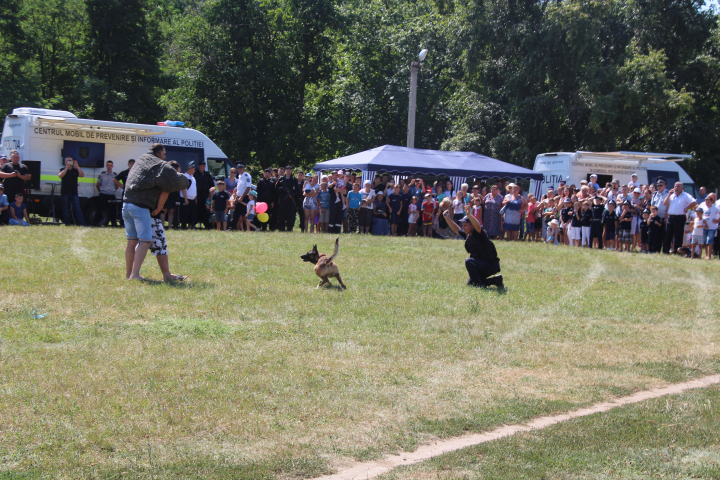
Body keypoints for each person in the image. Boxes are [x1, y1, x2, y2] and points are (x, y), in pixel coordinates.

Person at [123, 144, 190, 281]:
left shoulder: (141, 159)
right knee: (146, 241)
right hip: (141, 207)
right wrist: (159, 209)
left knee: (131, 241)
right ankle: (135, 275)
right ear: (159, 153)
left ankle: (129, 274)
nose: (165, 157)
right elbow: (171, 185)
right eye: (164, 154)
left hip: (126, 204)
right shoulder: (160, 166)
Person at [444, 205, 504, 289]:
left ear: (472, 226)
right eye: (463, 225)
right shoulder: (468, 234)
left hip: (490, 265)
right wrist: (447, 218)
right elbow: (456, 229)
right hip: (480, 265)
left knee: (469, 261)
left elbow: (478, 226)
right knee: (470, 285)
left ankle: (478, 285)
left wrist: (469, 215)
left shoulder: (479, 234)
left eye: (465, 225)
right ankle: (496, 280)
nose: (463, 227)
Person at [663, 182, 697, 254]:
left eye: (678, 187)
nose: (676, 188)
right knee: (668, 234)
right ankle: (665, 251)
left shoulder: (685, 195)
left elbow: (694, 202)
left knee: (678, 235)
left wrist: (687, 208)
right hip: (671, 217)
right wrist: (669, 194)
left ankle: (676, 251)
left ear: (682, 188)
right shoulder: (672, 195)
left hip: (680, 217)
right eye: (675, 186)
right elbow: (665, 203)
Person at [58, 156, 87, 227]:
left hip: (74, 193)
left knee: (78, 210)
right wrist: (66, 168)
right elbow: (60, 176)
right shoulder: (62, 169)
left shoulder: (75, 170)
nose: (69, 162)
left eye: (71, 160)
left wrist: (77, 166)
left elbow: (82, 175)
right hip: (65, 193)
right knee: (66, 210)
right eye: (68, 161)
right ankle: (67, 224)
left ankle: (82, 224)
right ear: (65, 162)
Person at [95, 160, 118, 226]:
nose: (109, 167)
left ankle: (114, 224)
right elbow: (98, 185)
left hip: (111, 194)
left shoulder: (115, 175)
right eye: (108, 165)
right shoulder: (102, 174)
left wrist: (112, 190)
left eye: (110, 165)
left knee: (113, 210)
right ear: (106, 166)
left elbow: (116, 186)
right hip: (103, 194)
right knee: (99, 209)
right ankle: (95, 223)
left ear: (112, 166)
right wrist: (102, 191)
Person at [193, 161, 214, 228]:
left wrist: (213, 192)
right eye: (201, 166)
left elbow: (212, 185)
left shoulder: (207, 175)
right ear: (198, 166)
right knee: (197, 210)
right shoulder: (195, 174)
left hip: (206, 195)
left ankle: (207, 225)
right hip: (198, 195)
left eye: (203, 166)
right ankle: (193, 224)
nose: (202, 167)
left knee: (205, 211)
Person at [700, 193, 719, 259]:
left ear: (712, 202)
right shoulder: (704, 208)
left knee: (710, 240)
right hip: (705, 227)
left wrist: (717, 221)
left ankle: (709, 255)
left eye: (708, 202)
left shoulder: (715, 208)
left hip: (712, 227)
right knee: (705, 241)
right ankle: (706, 255)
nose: (707, 203)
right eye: (706, 202)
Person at [181, 162, 198, 229]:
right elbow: (183, 188)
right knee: (185, 213)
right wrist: (185, 199)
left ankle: (192, 225)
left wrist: (195, 198)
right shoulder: (184, 177)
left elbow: (194, 189)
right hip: (186, 198)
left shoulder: (193, 178)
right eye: (194, 169)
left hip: (192, 199)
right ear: (190, 169)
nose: (194, 171)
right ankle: (184, 226)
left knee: (192, 213)